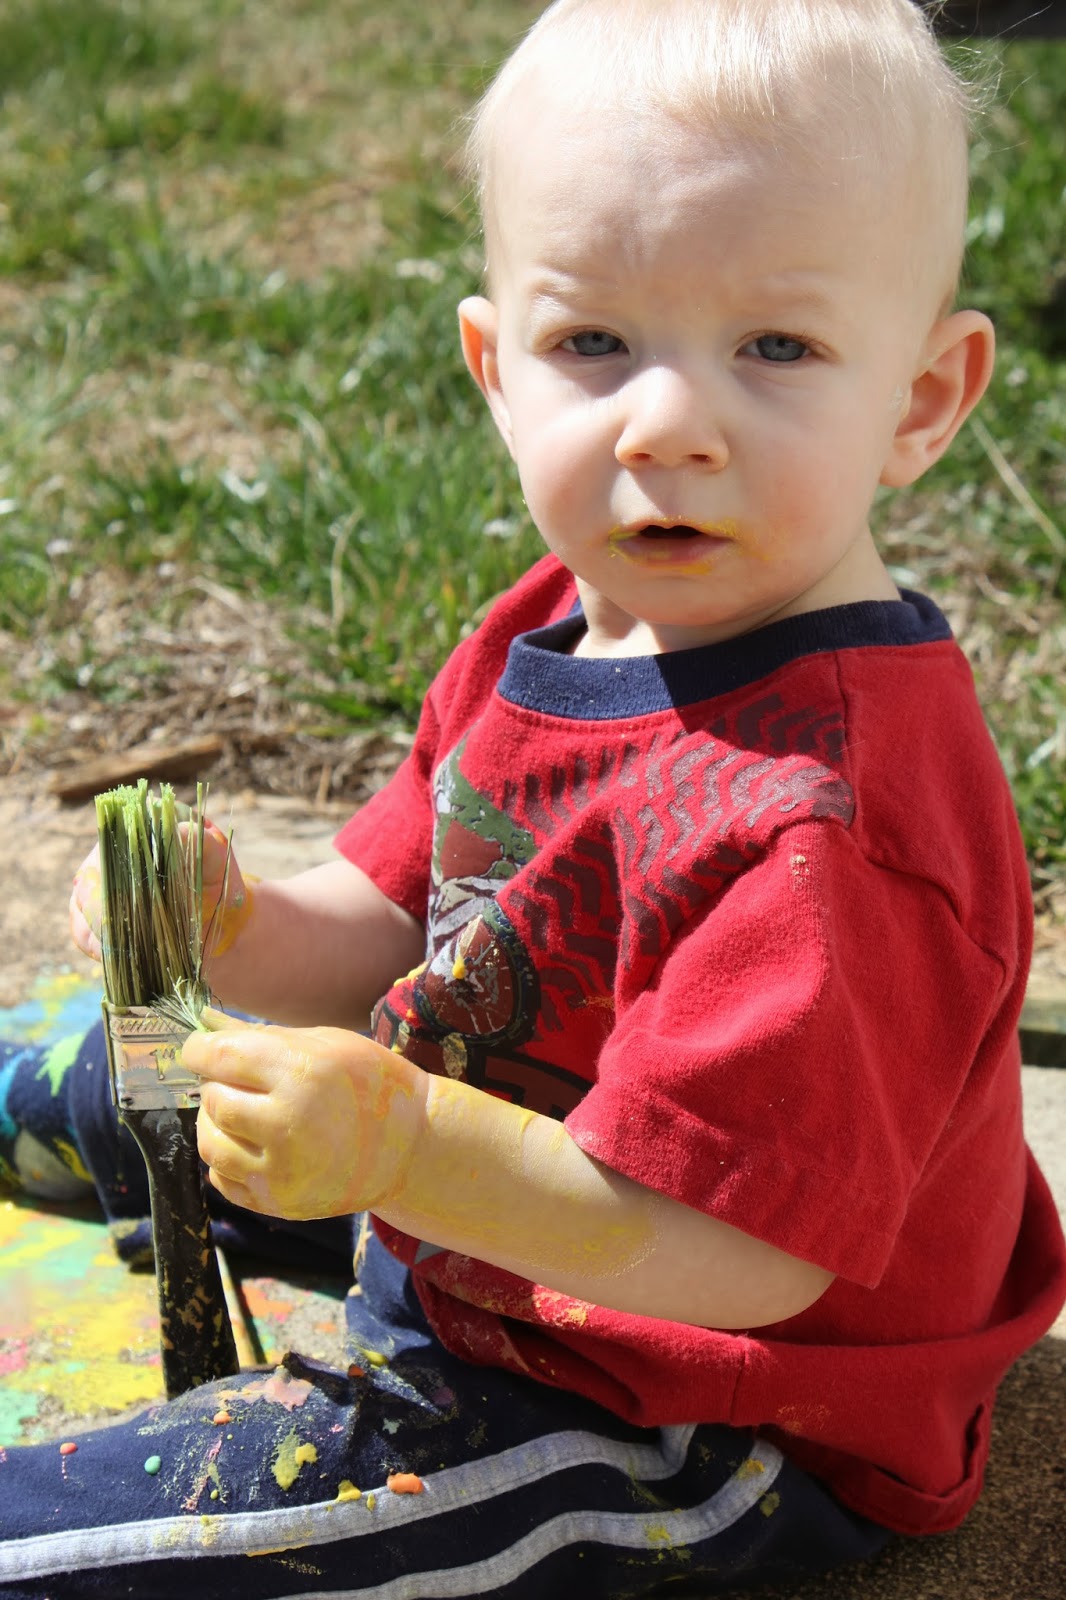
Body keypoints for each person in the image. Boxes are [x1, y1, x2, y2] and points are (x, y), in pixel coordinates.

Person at [1, 2, 1064, 1595]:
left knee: (181, 1512)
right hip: (459, 1204)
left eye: (775, 346)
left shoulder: (829, 819)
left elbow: (745, 1260)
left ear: (921, 399)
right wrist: (231, 929)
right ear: (497, 370)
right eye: (593, 344)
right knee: (100, 1066)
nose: (665, 423)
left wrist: (407, 1151)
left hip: (681, 1400)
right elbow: (375, 921)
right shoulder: (547, 626)